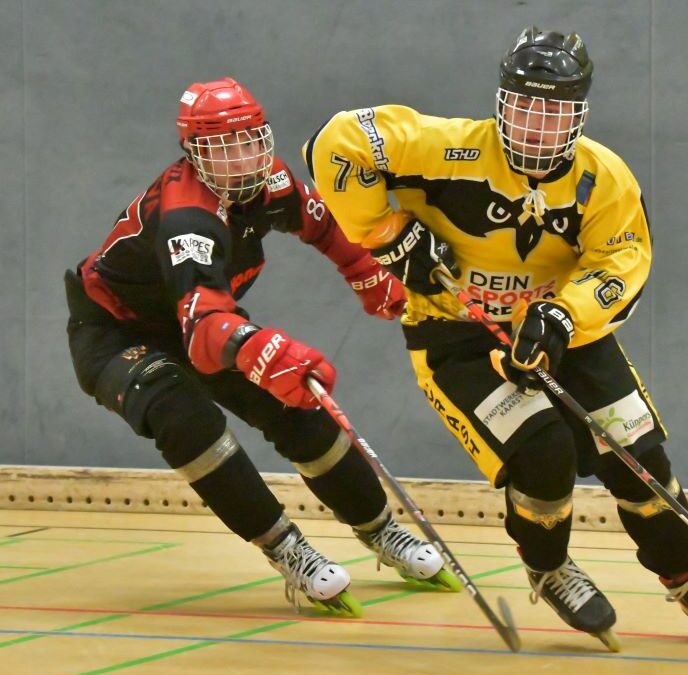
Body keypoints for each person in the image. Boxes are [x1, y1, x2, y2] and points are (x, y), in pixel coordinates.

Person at [302, 28, 688, 647]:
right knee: (544, 451)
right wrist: (387, 235)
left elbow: (623, 261)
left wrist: (561, 315)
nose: (536, 126)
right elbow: (336, 143)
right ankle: (549, 566)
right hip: (457, 335)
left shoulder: (602, 178)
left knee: (637, 452)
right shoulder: (447, 148)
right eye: (524, 106)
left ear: (579, 113)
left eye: (554, 110)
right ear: (501, 103)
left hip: (562, 332)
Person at [64, 77, 459, 618]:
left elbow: (322, 222)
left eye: (252, 140)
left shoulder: (270, 179)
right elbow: (204, 334)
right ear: (193, 154)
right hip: (118, 333)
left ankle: (381, 529)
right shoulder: (188, 220)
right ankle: (285, 547)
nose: (243, 159)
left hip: (202, 317)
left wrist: (365, 269)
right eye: (223, 148)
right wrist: (260, 347)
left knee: (299, 403)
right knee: (186, 418)